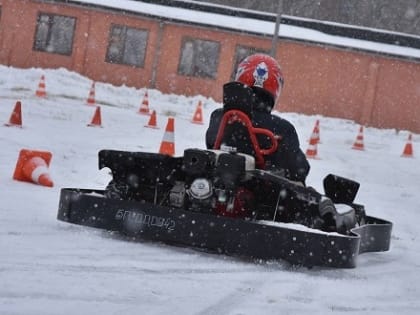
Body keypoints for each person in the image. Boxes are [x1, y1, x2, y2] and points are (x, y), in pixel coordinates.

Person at [205, 53, 310, 185]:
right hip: (261, 197)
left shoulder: (219, 116)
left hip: (217, 186)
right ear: (276, 85)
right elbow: (299, 170)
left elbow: (210, 145)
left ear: (241, 75)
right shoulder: (283, 128)